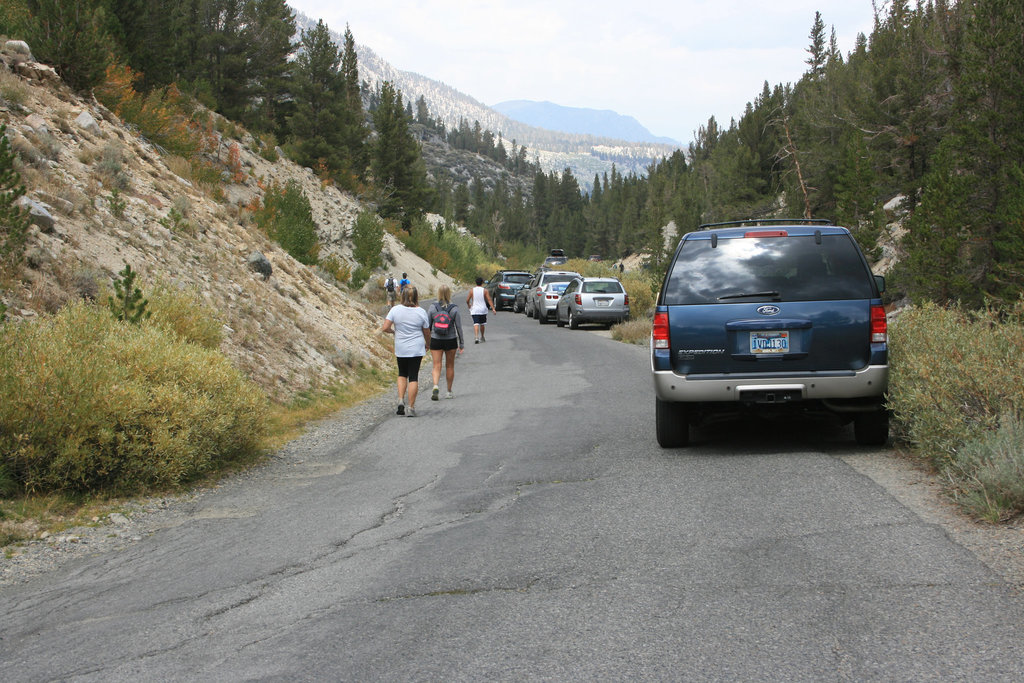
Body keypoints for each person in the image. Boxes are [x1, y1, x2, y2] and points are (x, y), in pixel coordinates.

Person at [381, 286, 429, 417]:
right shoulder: (421, 312)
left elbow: (385, 327)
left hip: (401, 347)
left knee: (402, 373)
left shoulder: (395, 310)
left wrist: (393, 331)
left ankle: (401, 399)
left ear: (402, 295)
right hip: (416, 348)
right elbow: (426, 331)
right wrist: (428, 344)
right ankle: (411, 407)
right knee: (413, 376)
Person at [427, 284, 465, 400]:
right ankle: (448, 391)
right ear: (449, 293)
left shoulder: (433, 307)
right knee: (449, 366)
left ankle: (435, 385)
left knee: (436, 365)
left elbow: (428, 326)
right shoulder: (454, 308)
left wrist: (427, 342)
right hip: (450, 339)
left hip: (436, 339)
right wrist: (461, 343)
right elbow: (458, 327)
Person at [466, 276, 496, 344]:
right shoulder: (485, 290)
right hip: (483, 309)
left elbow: (467, 300)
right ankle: (482, 336)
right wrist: (493, 308)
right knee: (482, 323)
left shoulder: (472, 290)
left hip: (475, 309)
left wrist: (469, 305)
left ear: (476, 283)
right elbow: (489, 299)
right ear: (482, 283)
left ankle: (476, 337)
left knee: (476, 323)